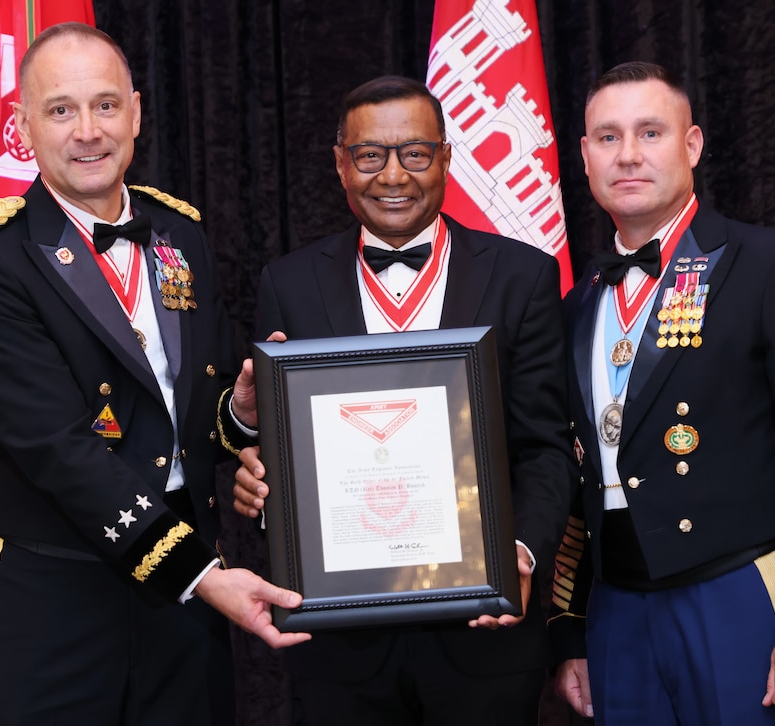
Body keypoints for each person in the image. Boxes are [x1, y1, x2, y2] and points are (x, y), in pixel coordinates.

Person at [0, 22, 308, 726]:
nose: (88, 131)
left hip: (183, 613)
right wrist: (202, 575)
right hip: (52, 602)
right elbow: (57, 449)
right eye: (61, 109)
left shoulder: (181, 235)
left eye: (105, 105)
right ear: (22, 126)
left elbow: (182, 421)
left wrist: (243, 415)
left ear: (135, 111)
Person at [548, 61, 775, 725]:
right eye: (608, 137)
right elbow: (572, 476)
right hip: (616, 611)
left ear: (693, 144)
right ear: (585, 157)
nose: (628, 155)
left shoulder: (773, 267)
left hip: (743, 596)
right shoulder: (575, 304)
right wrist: (570, 627)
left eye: (650, 132)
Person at [230, 75, 576, 725]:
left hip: (484, 638)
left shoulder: (523, 276)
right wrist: (264, 486)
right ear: (340, 164)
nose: (394, 175)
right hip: (341, 651)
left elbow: (544, 447)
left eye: (415, 153)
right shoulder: (289, 283)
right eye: (370, 156)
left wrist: (521, 557)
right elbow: (283, 452)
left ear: (446, 158)